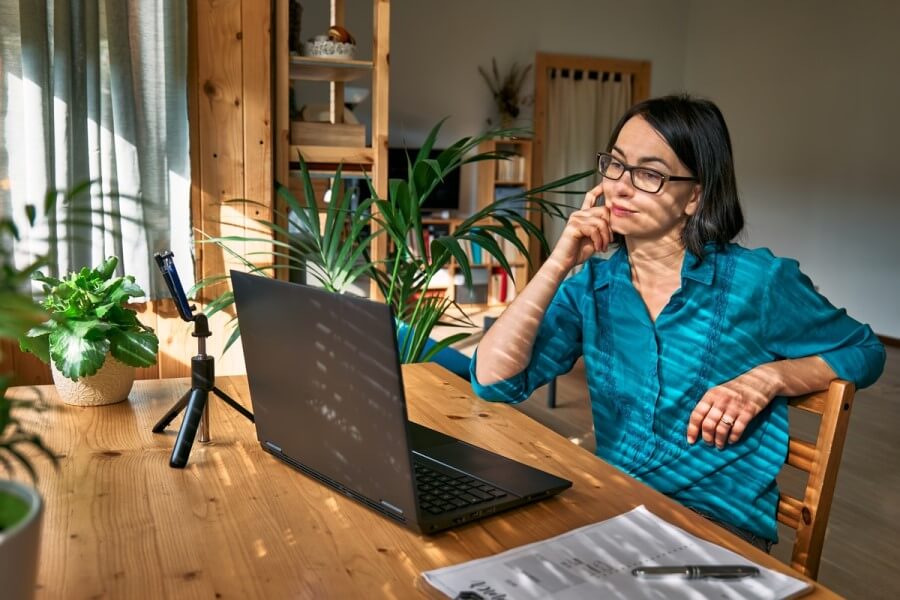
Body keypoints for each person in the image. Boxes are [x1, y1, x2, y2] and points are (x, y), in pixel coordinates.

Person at [470, 94, 886, 551]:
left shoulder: (757, 283)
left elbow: (866, 350)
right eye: (616, 165)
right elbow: (493, 382)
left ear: (695, 196)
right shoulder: (593, 285)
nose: (621, 187)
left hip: (717, 531)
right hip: (617, 510)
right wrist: (558, 262)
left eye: (649, 173)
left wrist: (772, 376)